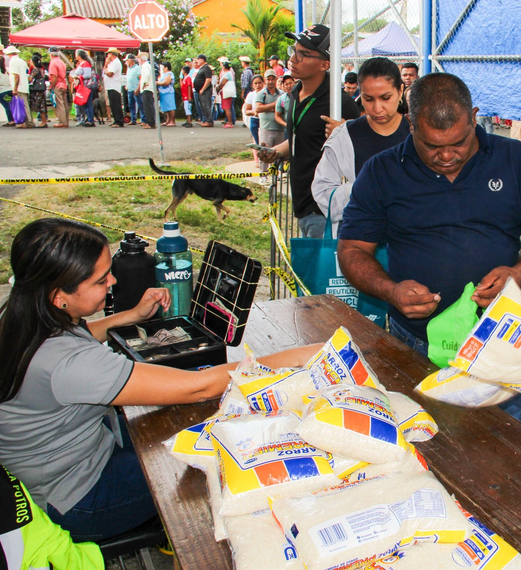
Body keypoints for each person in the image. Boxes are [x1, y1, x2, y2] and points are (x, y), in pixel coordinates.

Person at [0, 218, 321, 542]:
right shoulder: (69, 363)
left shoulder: (22, 315)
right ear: (59, 295)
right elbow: (200, 387)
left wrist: (132, 316)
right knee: (211, 460)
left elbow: (80, 334)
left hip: (67, 458)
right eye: (100, 280)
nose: (112, 281)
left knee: (182, 428)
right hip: (78, 498)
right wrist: (295, 356)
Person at [336, 73, 521, 422]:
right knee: (419, 435)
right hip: (415, 343)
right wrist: (391, 291)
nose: (446, 156)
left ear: (474, 118)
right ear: (411, 124)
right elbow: (352, 249)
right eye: (432, 146)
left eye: (458, 142)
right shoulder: (382, 171)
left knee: (501, 440)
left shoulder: (514, 159)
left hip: (496, 339)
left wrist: (518, 273)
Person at [257, 25, 361, 238]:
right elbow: (300, 139)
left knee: (321, 260)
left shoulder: (340, 104)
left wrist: (344, 135)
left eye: (303, 54)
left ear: (325, 64)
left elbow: (360, 157)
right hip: (301, 202)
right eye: (294, 51)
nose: (293, 59)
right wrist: (276, 152)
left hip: (324, 208)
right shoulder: (295, 93)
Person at [312, 57, 411, 237]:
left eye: (385, 98)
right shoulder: (344, 136)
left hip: (410, 241)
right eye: (368, 99)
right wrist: (363, 189)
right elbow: (323, 193)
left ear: (400, 91)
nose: (377, 108)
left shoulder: (418, 135)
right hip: (359, 241)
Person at [254, 69, 285, 182]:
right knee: (264, 151)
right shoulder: (261, 94)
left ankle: (276, 174)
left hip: (279, 128)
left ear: (276, 79)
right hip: (266, 128)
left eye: (272, 79)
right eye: (268, 79)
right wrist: (274, 105)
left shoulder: (281, 93)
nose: (271, 82)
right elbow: (258, 108)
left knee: (278, 153)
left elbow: (283, 107)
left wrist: (269, 107)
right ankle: (263, 175)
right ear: (265, 80)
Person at [6, 46, 34, 128]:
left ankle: (28, 122)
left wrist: (15, 88)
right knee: (25, 104)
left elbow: (16, 76)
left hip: (19, 86)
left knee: (23, 105)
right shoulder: (22, 61)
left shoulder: (13, 62)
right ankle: (28, 121)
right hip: (24, 85)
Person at [70, 49, 95, 128]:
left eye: (76, 54)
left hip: (86, 86)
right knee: (85, 103)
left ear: (79, 56)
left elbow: (87, 75)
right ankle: (88, 119)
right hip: (82, 85)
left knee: (88, 103)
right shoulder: (82, 63)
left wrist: (78, 77)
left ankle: (90, 120)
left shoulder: (85, 64)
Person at [242, 74, 264, 167]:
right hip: (255, 120)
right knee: (256, 141)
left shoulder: (266, 93)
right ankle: (257, 160)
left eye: (259, 83)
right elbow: (247, 111)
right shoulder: (251, 95)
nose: (258, 85)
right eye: (255, 83)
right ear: (252, 85)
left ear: (263, 83)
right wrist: (255, 111)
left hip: (265, 121)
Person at [102, 48, 124, 128]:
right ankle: (115, 120)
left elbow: (110, 74)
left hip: (114, 86)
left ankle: (119, 121)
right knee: (112, 104)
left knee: (116, 105)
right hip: (110, 86)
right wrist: (106, 64)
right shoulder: (111, 63)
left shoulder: (116, 62)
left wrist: (105, 71)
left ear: (112, 54)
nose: (107, 55)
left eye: (108, 54)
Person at [48, 47, 68, 128]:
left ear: (51, 54)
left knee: (59, 104)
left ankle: (62, 121)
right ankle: (66, 120)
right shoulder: (61, 62)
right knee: (65, 103)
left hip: (58, 84)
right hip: (64, 83)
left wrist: (52, 86)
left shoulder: (53, 63)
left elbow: (54, 76)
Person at [28, 53, 48, 128]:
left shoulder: (35, 69)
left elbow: (30, 79)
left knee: (39, 105)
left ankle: (42, 122)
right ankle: (44, 121)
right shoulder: (41, 69)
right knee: (42, 105)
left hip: (36, 90)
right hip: (41, 89)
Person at [193, 54, 214, 127]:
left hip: (206, 90)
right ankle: (206, 120)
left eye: (198, 60)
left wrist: (202, 89)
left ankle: (209, 121)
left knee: (206, 106)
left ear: (202, 60)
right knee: (203, 106)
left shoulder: (206, 68)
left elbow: (208, 80)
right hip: (201, 90)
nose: (197, 62)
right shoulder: (202, 68)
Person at [137, 52, 156, 129]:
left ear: (141, 59)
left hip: (147, 88)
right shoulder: (145, 66)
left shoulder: (146, 66)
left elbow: (147, 75)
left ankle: (151, 123)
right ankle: (149, 122)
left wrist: (145, 83)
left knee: (148, 106)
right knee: (147, 106)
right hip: (146, 88)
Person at [124, 54, 142, 125]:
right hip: (130, 89)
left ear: (130, 60)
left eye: (127, 60)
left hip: (135, 89)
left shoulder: (137, 68)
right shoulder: (128, 68)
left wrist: (138, 88)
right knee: (131, 105)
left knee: (140, 104)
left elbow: (140, 78)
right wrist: (126, 85)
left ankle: (143, 119)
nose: (126, 62)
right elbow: (128, 78)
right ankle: (133, 119)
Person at [157, 61, 176, 126]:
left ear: (166, 67)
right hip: (163, 93)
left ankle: (172, 121)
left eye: (163, 67)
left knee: (170, 107)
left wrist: (158, 83)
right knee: (167, 108)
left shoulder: (170, 74)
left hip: (168, 92)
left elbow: (166, 82)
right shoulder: (163, 74)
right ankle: (168, 120)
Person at [218, 60, 236, 127]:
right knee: (228, 107)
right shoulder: (230, 73)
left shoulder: (227, 74)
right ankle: (229, 121)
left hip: (226, 93)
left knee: (226, 107)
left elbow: (223, 83)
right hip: (229, 92)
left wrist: (218, 88)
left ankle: (230, 122)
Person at [0, 57, 12, 126]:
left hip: (2, 91)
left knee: (7, 106)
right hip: (9, 90)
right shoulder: (7, 69)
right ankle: (13, 119)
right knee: (10, 104)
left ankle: (10, 120)